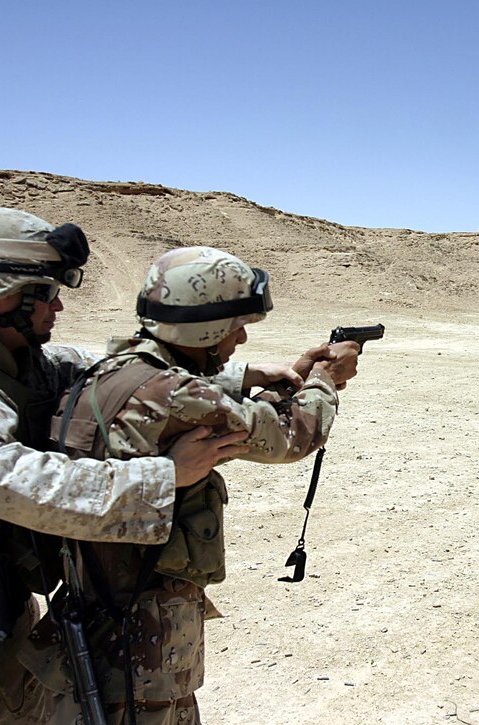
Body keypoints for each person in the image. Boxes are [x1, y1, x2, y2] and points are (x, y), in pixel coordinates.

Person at [0, 208, 237, 724]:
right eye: (48, 293)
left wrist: (244, 375)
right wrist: (165, 476)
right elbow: (16, 486)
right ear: (2, 295)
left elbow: (118, 379)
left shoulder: (22, 364)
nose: (60, 306)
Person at [20, 246, 359, 724]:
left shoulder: (113, 372)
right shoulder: (178, 395)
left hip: (92, 606)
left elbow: (195, 401)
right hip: (144, 629)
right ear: (203, 330)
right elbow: (292, 437)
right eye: (233, 327)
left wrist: (288, 375)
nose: (240, 338)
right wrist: (323, 380)